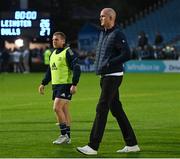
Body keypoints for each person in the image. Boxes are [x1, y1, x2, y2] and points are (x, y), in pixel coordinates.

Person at [77, 8, 140, 155]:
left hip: (113, 76)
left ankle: (93, 146)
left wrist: (109, 63)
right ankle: (132, 144)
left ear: (111, 18)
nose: (100, 19)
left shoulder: (118, 34)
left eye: (103, 16)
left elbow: (127, 54)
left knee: (102, 108)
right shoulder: (103, 33)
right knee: (117, 110)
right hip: (105, 76)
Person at [38, 32, 81, 144]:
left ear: (63, 41)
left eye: (56, 39)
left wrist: (74, 84)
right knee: (65, 110)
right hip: (56, 86)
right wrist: (43, 83)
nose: (54, 41)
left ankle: (63, 135)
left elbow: (76, 67)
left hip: (65, 85)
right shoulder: (52, 54)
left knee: (56, 108)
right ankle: (68, 137)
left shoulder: (68, 52)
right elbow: (50, 71)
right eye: (53, 39)